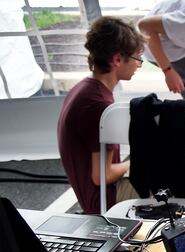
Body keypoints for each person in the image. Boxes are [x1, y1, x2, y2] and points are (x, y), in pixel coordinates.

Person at [57, 16, 143, 215]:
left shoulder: (84, 89)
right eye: (137, 58)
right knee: (168, 178)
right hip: (104, 202)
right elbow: (101, 175)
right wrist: (134, 163)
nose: (139, 65)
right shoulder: (99, 106)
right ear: (117, 59)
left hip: (93, 195)